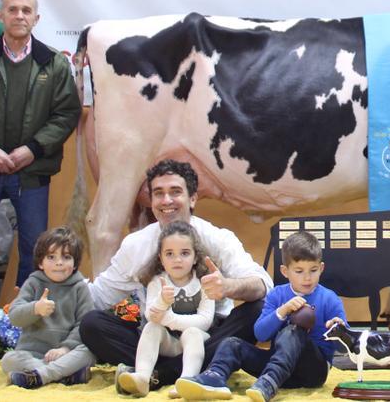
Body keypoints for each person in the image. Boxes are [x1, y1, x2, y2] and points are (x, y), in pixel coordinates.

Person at [81, 159, 273, 393]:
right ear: (150, 201)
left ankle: (157, 375)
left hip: (207, 337)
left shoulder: (218, 238)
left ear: (192, 198)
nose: (166, 201)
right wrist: (60, 301)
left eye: (175, 192)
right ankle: (175, 372)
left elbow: (263, 284)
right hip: (157, 337)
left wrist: (227, 286)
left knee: (258, 310)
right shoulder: (136, 245)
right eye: (158, 193)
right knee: (91, 324)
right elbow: (99, 296)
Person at [0, 0, 81, 322]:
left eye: (26, 10)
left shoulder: (53, 63)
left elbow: (66, 113)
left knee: (35, 252)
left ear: (36, 19)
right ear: (2, 16)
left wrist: (33, 149)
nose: (20, 15)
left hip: (31, 172)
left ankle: (25, 318)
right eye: (13, 9)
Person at [177, 231, 346, 401]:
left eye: (313, 270)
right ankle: (214, 377)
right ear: (285, 271)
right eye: (299, 271)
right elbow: (260, 334)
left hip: (313, 372)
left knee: (292, 331)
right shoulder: (276, 295)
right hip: (278, 369)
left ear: (321, 268)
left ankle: (269, 382)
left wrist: (338, 330)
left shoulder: (329, 298)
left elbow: (345, 347)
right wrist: (282, 310)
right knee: (231, 343)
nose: (307, 277)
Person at [118, 220, 216, 397]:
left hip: (197, 342)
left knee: (192, 333)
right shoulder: (157, 282)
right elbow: (151, 316)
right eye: (169, 254)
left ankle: (187, 381)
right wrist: (163, 301)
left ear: (195, 257)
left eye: (185, 253)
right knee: (151, 327)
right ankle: (142, 376)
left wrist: (169, 318)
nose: (177, 259)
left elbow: (205, 321)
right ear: (161, 259)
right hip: (170, 344)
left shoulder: (204, 283)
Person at [1, 226, 95, 388]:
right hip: (32, 354)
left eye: (66, 257)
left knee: (88, 353)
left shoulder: (80, 288)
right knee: (8, 360)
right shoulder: (33, 283)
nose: (59, 262)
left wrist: (65, 348)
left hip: (65, 355)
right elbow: (15, 316)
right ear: (41, 263)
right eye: (51, 257)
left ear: (74, 264)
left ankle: (41, 375)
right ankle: (63, 375)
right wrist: (35, 309)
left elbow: (84, 324)